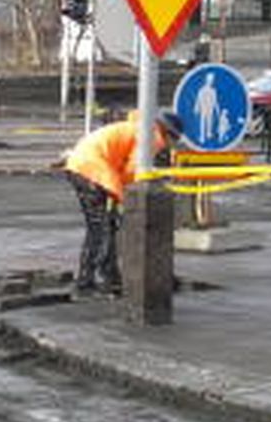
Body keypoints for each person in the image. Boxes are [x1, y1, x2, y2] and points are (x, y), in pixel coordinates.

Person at [64, 110, 182, 295]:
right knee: (101, 228)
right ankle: (88, 282)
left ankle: (106, 275)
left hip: (83, 166)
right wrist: (129, 202)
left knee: (105, 226)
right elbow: (132, 171)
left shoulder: (138, 129)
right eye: (173, 142)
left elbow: (124, 168)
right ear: (169, 134)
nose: (169, 147)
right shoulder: (152, 137)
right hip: (92, 171)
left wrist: (121, 201)